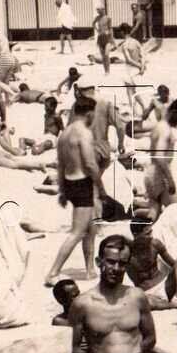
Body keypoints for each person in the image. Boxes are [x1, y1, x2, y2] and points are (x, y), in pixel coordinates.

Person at [45, 98, 103, 285]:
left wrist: (62, 191)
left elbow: (61, 164)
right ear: (89, 113)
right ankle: (53, 272)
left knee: (91, 228)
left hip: (70, 182)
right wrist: (101, 188)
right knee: (77, 232)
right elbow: (90, 164)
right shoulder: (83, 133)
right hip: (82, 183)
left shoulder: (64, 134)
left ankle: (90, 270)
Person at [142, 97, 177, 224]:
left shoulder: (159, 126)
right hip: (159, 174)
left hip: (150, 172)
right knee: (176, 212)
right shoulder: (164, 129)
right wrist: (170, 180)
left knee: (154, 209)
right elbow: (159, 156)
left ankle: (144, 235)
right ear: (174, 112)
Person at [92, 6, 113, 75]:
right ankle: (106, 71)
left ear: (103, 10)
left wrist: (112, 38)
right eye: (97, 10)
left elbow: (110, 28)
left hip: (107, 38)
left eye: (99, 10)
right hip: (100, 37)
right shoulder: (97, 18)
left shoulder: (108, 18)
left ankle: (108, 70)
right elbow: (93, 23)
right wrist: (97, 30)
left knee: (106, 54)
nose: (97, 11)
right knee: (103, 56)